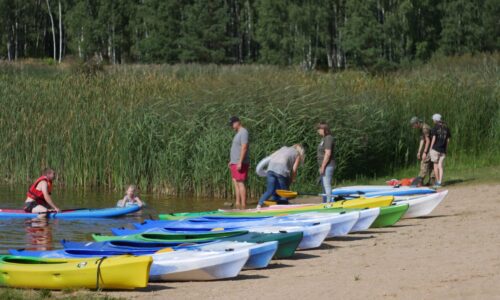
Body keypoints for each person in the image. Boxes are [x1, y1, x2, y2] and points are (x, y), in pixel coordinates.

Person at [257, 144, 305, 209]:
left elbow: (272, 156)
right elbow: (294, 169)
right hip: (282, 170)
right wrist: (293, 179)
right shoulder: (297, 154)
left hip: (270, 168)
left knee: (270, 190)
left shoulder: (283, 148)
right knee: (284, 191)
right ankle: (284, 206)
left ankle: (259, 205)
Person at [228, 116, 250, 209]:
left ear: (238, 122)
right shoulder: (238, 133)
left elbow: (244, 147)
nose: (232, 126)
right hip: (234, 162)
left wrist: (240, 162)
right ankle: (238, 204)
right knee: (236, 182)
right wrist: (231, 161)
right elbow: (236, 148)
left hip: (240, 162)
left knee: (240, 182)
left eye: (233, 123)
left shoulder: (244, 132)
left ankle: (244, 206)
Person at [429, 114, 451, 188]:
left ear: (435, 120)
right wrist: (446, 149)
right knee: (440, 166)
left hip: (435, 149)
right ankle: (440, 181)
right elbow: (448, 140)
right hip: (443, 150)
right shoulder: (446, 128)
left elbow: (434, 138)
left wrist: (431, 148)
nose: (433, 120)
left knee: (435, 166)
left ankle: (437, 182)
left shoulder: (435, 128)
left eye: (433, 119)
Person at [410, 116, 434, 186]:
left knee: (424, 162)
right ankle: (431, 182)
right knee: (430, 164)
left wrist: (425, 152)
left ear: (417, 123)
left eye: (413, 125)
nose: (413, 127)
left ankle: (419, 181)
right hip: (429, 147)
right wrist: (419, 152)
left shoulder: (425, 128)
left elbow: (428, 141)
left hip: (432, 147)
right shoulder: (421, 128)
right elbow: (422, 140)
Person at [316, 122, 335, 202]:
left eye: (319, 129)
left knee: (327, 184)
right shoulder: (324, 138)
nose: (318, 131)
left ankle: (329, 203)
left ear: (324, 129)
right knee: (324, 185)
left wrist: (323, 167)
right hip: (324, 165)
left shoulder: (328, 138)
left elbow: (328, 153)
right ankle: (325, 202)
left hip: (328, 165)